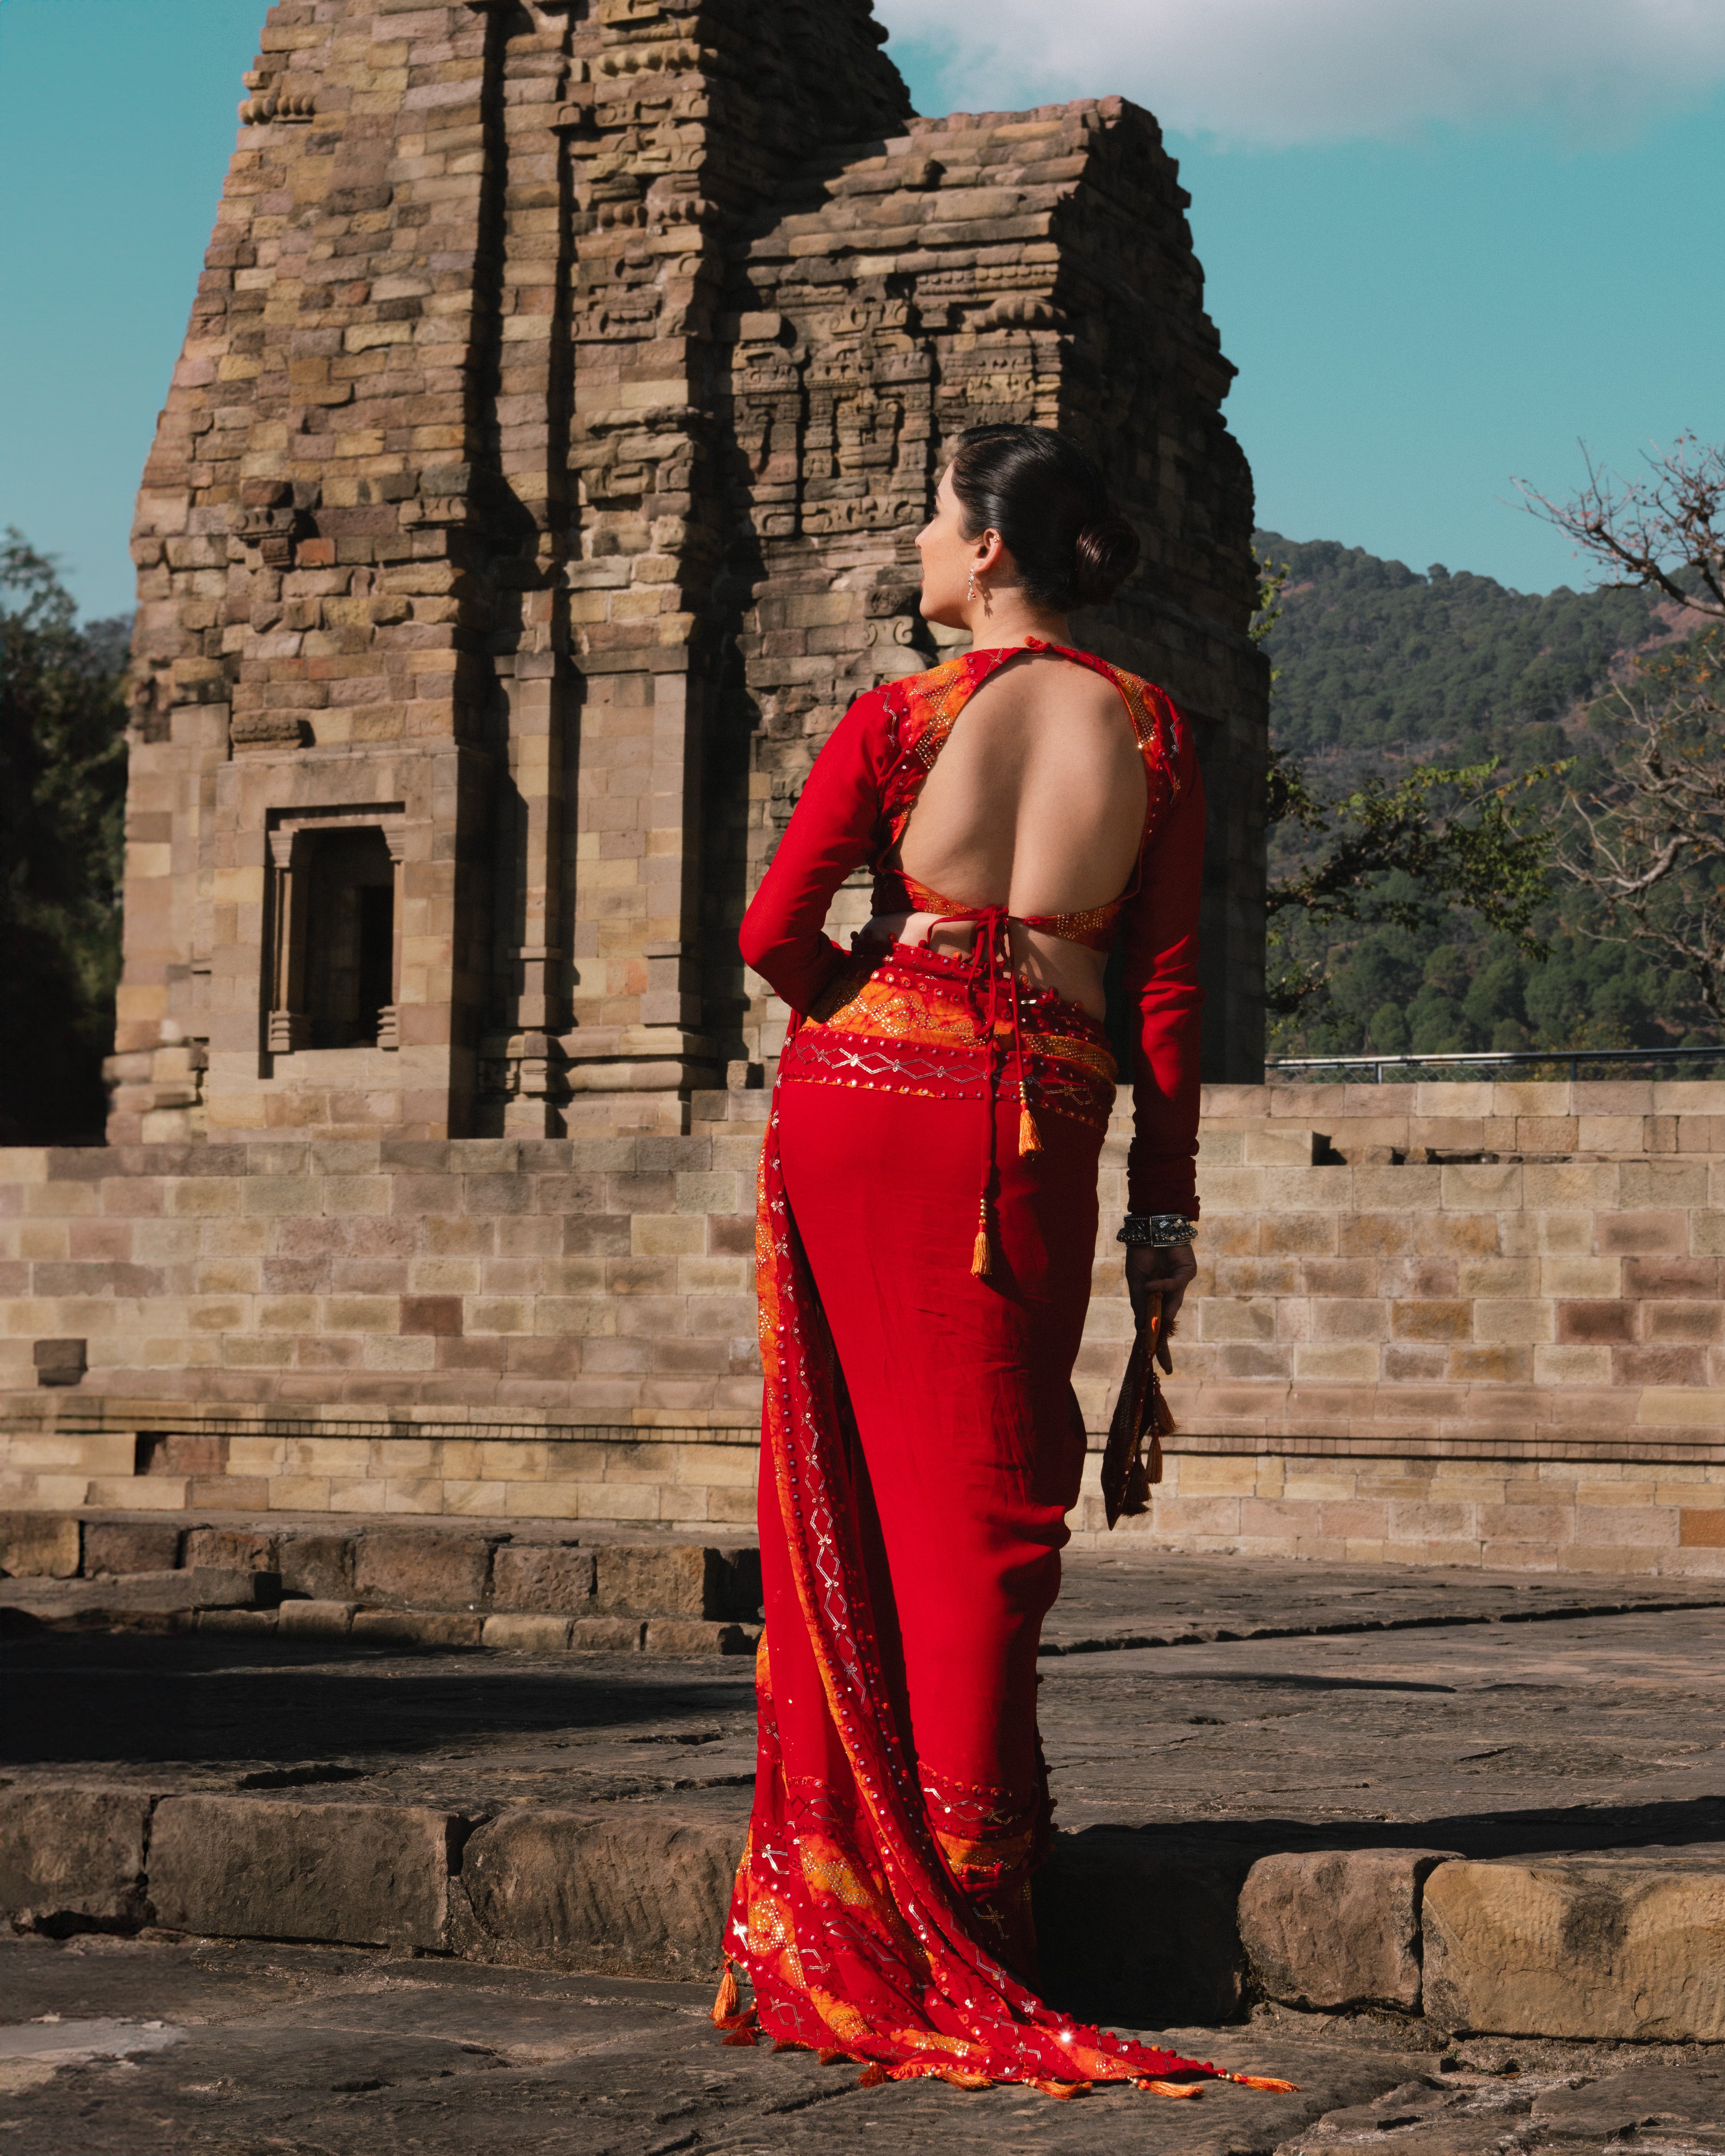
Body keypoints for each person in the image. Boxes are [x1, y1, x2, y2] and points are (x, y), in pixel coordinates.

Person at [715, 426, 1288, 2102]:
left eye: (927, 517)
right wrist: (1161, 1210)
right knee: (996, 1508)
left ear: (980, 552)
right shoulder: (1155, 729)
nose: (913, 537)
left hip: (859, 1102)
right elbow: (1168, 1006)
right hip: (1036, 1114)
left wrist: (869, 1018)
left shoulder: (901, 718)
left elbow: (770, 931)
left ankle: (888, 1897)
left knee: (847, 1486)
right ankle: (977, 1893)